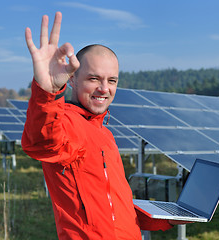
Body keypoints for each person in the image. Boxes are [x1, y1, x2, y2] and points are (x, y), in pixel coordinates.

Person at [22, 12, 186, 240]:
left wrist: (166, 217)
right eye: (93, 79)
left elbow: (114, 208)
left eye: (112, 80)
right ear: (72, 79)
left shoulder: (105, 134)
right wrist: (48, 92)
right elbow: (43, 143)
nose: (104, 88)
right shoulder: (68, 123)